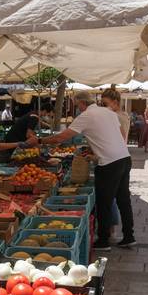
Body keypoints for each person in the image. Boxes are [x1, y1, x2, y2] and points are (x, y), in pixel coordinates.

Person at [39, 89, 135, 251]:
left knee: (104, 202)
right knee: (123, 200)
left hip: (109, 163)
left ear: (82, 103)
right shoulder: (108, 112)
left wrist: (40, 140)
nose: (77, 108)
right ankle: (129, 236)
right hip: (124, 158)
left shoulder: (85, 116)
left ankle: (103, 240)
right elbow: (120, 134)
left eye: (77, 105)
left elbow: (61, 137)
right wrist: (98, 148)